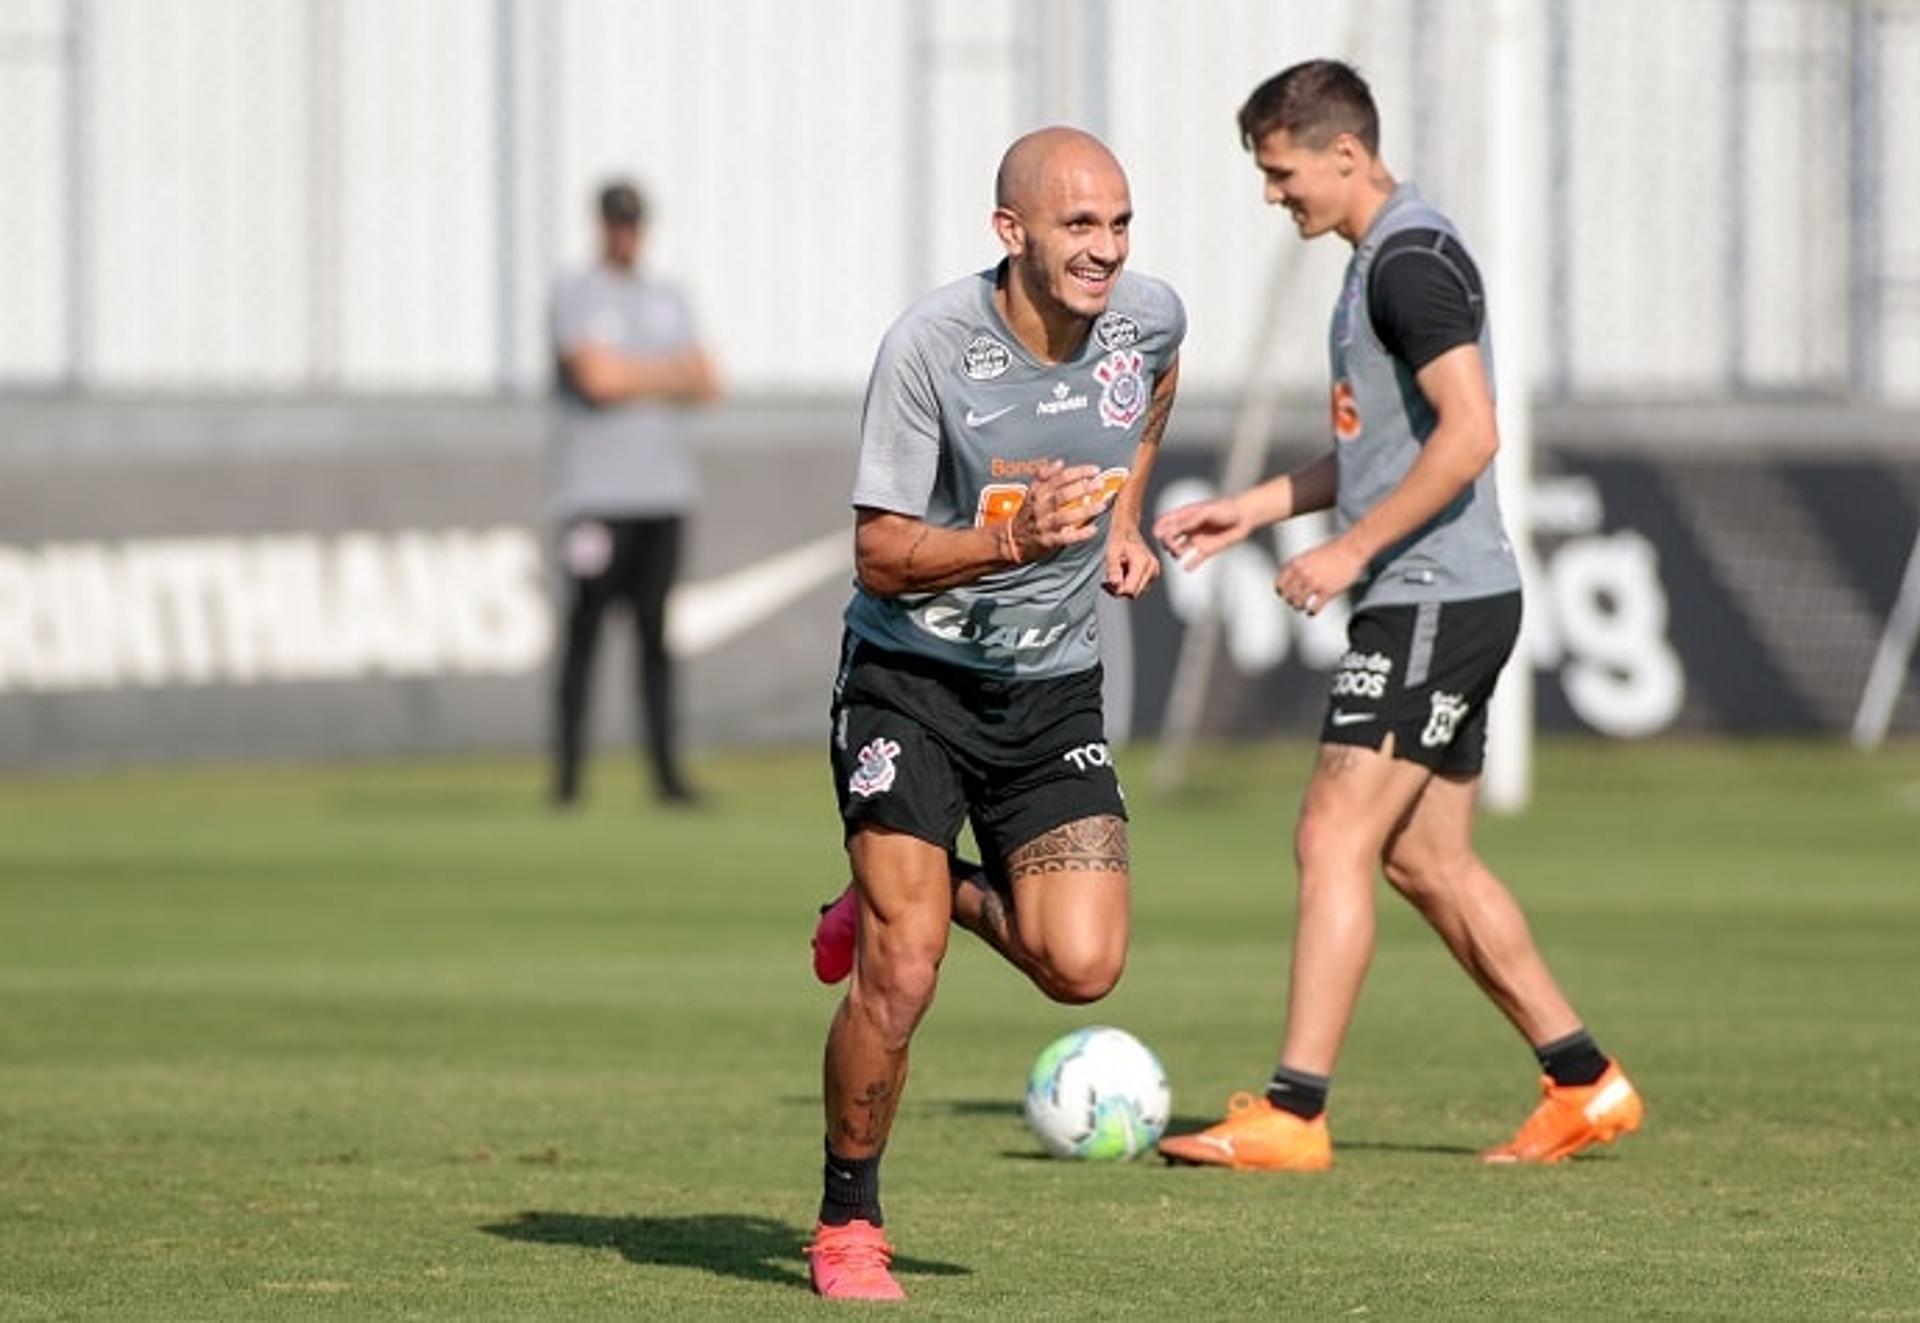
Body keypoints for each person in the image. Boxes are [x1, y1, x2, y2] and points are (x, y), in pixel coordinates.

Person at [1152, 60, 1642, 1172]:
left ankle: (1295, 1111)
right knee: (1428, 862)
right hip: (1443, 594)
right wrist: (1259, 507)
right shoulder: (1382, 257)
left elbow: (1472, 432)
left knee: (1332, 834)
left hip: (1429, 595)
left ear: (1345, 152)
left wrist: (1352, 550)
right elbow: (1385, 447)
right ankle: (1585, 1081)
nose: (1275, 196)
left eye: (1282, 174)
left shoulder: (1412, 262)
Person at [805, 127, 1184, 1301]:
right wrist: (1006, 541)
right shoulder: (929, 347)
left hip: (1051, 691)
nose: (1106, 250)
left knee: (1082, 967)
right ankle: (847, 1221)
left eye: (1119, 224)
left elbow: (1155, 392)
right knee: (902, 967)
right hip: (909, 686)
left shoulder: (1148, 319)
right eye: (1080, 226)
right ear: (1010, 232)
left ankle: (893, 882)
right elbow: (875, 554)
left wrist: (1125, 519)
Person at [548, 179, 720, 809]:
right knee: (585, 634)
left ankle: (666, 776)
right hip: (594, 496)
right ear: (601, 225)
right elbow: (595, 380)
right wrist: (663, 372)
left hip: (662, 494)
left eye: (634, 223)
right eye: (617, 223)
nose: (626, 234)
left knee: (655, 637)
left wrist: (633, 372)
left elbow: (707, 379)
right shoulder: (576, 294)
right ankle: (567, 780)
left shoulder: (667, 297)